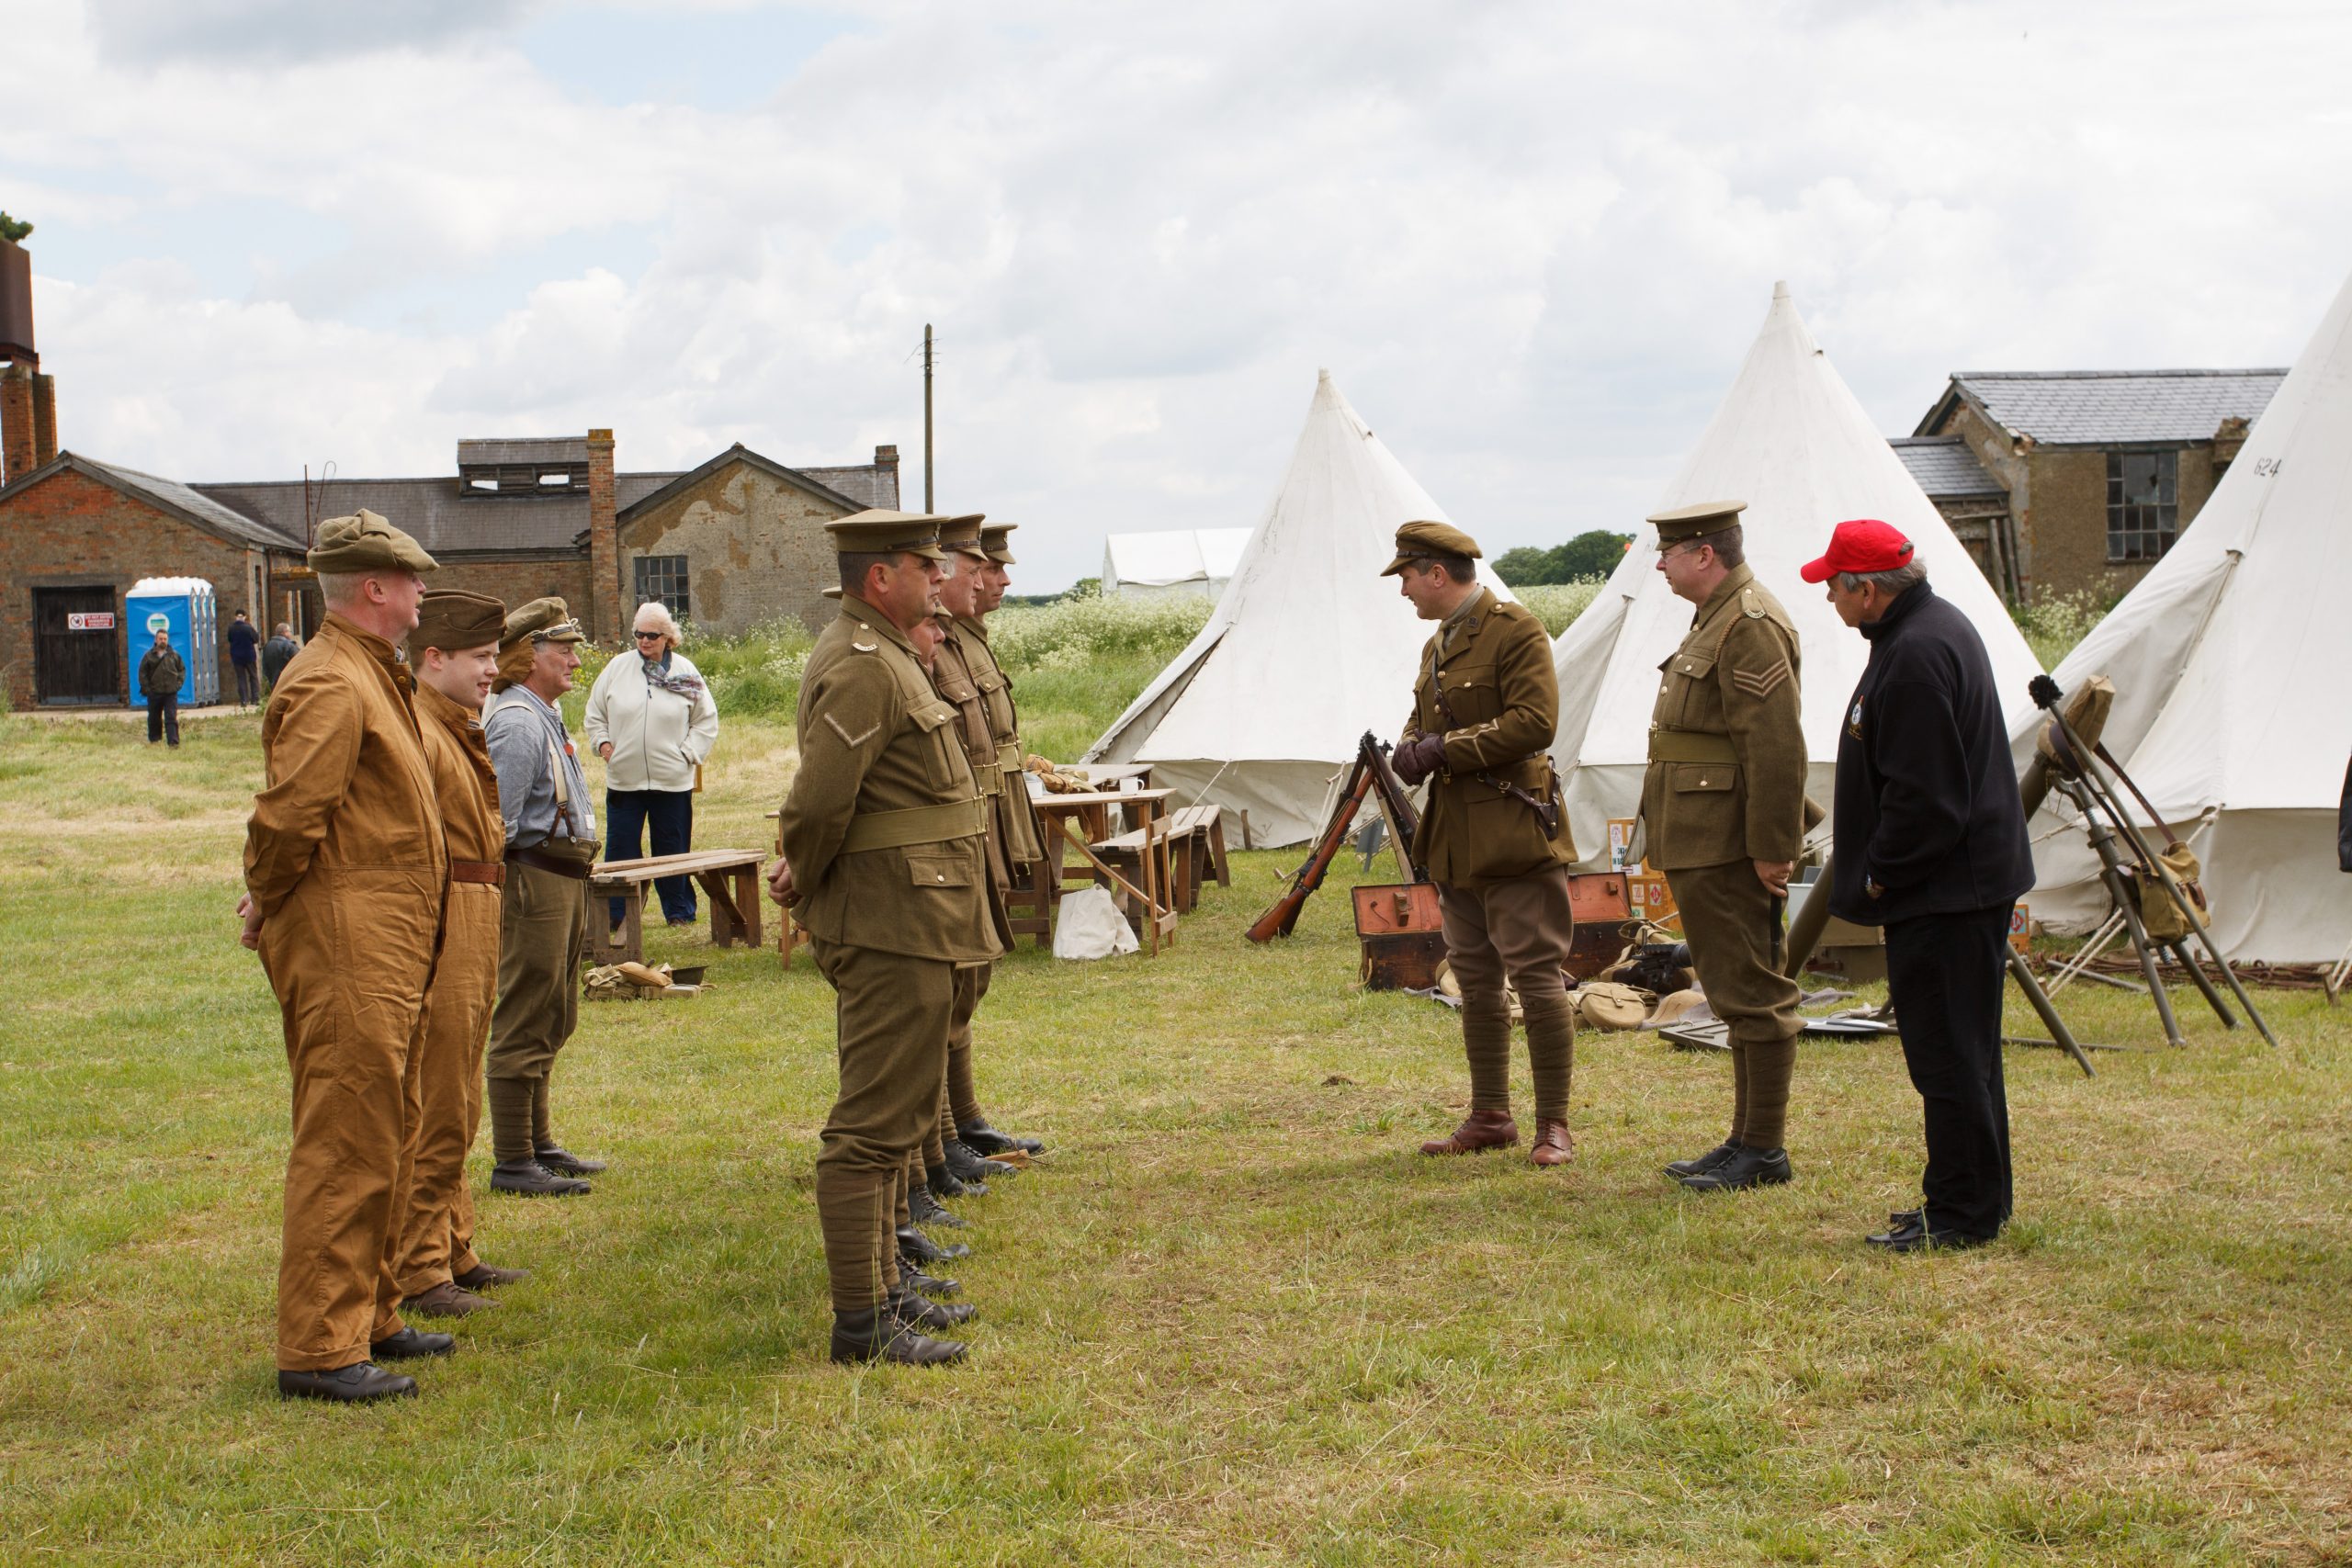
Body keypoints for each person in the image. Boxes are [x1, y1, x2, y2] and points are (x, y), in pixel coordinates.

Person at [771, 509, 997, 1366]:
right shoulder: (864, 663)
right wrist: (807, 870)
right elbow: (821, 802)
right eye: (921, 564)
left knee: (899, 1117)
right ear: (880, 578)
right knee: (870, 1129)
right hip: (890, 920)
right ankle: (863, 1323)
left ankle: (885, 1289)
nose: (939, 578)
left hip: (914, 915)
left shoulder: (892, 655)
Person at [239, 509, 451, 1403]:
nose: (422, 596)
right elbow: (290, 818)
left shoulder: (369, 674)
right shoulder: (331, 681)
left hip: (382, 938)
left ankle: (370, 1313)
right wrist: (265, 898)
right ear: (374, 588)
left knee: (386, 1123)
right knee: (345, 1134)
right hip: (346, 940)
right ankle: (320, 1350)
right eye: (412, 582)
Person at [1806, 518, 2033, 1252]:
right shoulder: (1927, 630)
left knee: (1947, 1053)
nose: (1831, 602)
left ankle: (1962, 1213)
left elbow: (1928, 798)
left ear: (1867, 588)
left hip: (1945, 891)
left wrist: (1877, 876)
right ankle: (1970, 1198)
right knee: (1962, 1049)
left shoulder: (1915, 653)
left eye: (1835, 588)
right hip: (1958, 884)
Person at [1384, 521, 1580, 1168]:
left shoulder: (1515, 629)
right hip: (1457, 836)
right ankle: (1491, 1114)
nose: (1404, 589)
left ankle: (1555, 1123)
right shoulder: (1438, 642)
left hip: (1514, 828)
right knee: (1475, 977)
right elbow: (1428, 717)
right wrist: (1412, 745)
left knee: (1536, 975)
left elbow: (1535, 722)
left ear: (1438, 574)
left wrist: (1445, 748)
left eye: (1408, 576)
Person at [1638, 502, 1810, 1192]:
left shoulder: (1751, 623)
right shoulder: (1718, 617)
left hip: (1729, 838)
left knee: (1753, 990)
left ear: (1704, 554)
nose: (1660, 563)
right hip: (1701, 831)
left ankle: (1763, 1149)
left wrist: (1773, 846)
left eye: (1670, 552)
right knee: (1734, 989)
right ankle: (1746, 1139)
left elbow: (1776, 747)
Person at [395, 590, 533, 1319]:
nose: (492, 670)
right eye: (480, 658)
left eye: (494, 656)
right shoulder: (421, 728)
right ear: (433, 658)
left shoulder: (459, 724)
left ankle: (453, 1246)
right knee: (439, 1097)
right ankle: (420, 1269)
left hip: (478, 909)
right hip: (446, 915)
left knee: (461, 1091)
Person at [483, 598, 605, 1198]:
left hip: (561, 879)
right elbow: (495, 824)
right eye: (565, 650)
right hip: (534, 881)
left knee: (555, 1013)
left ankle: (538, 1143)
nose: (576, 661)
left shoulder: (540, 714)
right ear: (531, 656)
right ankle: (513, 1159)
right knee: (527, 1013)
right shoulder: (516, 721)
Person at [953, 520, 1049, 1162]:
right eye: (987, 567)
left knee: (969, 981)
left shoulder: (968, 641)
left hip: (985, 824)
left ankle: (961, 1121)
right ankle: (946, 1133)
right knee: (953, 983)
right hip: (961, 830)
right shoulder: (938, 644)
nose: (1002, 579)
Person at [583, 601, 719, 938]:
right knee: (621, 848)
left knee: (672, 846)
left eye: (652, 635)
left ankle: (679, 912)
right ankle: (616, 913)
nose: (644, 642)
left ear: (668, 637)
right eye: (639, 635)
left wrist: (686, 754)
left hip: (672, 781)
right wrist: (603, 745)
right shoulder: (616, 669)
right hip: (624, 780)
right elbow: (594, 714)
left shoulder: (685, 672)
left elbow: (706, 721)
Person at [139, 628, 184, 747]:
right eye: (160, 639)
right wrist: (148, 689)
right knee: (154, 718)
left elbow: (182, 670)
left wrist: (178, 685)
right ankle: (155, 740)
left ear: (167, 640)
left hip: (170, 692)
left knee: (171, 717)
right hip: (155, 692)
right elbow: (142, 673)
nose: (163, 641)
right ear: (156, 640)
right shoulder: (148, 656)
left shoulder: (174, 655)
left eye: (165, 639)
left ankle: (173, 742)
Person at [227, 609, 262, 707]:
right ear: (245, 617)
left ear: (235, 617)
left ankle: (244, 700)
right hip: (249, 656)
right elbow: (255, 639)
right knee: (253, 676)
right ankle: (255, 699)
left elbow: (229, 639)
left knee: (241, 678)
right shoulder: (248, 628)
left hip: (237, 657)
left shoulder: (231, 628)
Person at [263, 622, 300, 693]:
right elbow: (299, 662)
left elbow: (265, 666)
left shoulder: (267, 645)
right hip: (287, 681)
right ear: (285, 632)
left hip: (273, 682)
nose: (291, 634)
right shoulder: (289, 646)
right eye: (290, 631)